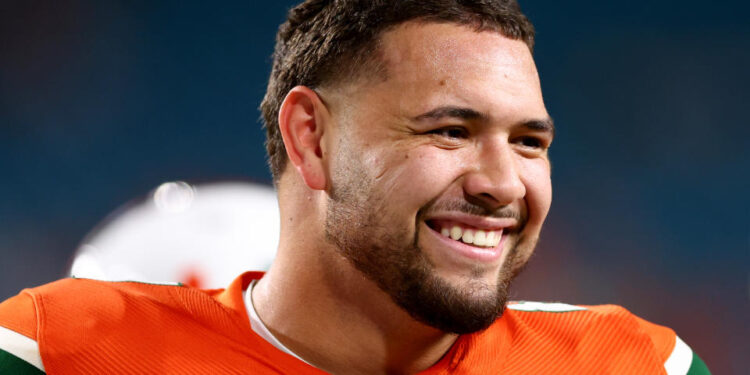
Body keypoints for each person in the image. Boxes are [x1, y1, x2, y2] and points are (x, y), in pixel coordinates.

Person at [0, 1, 710, 374]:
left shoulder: (636, 364)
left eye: (530, 141)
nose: (503, 183)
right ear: (312, 138)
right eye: (450, 131)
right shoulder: (59, 351)